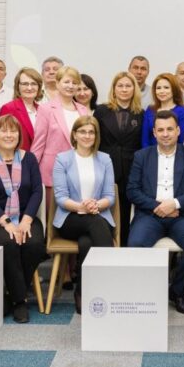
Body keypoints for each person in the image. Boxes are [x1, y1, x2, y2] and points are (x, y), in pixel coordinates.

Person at [127, 110, 184, 315]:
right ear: (153, 133)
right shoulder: (141, 156)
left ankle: (176, 291)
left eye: (170, 129)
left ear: (178, 130)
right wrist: (158, 206)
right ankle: (149, 292)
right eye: (160, 130)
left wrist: (174, 204)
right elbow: (132, 191)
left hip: (182, 214)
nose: (165, 134)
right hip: (150, 215)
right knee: (135, 245)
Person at [0, 115, 45, 323]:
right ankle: (20, 301)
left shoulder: (28, 159)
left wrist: (26, 220)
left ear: (19, 135)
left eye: (13, 131)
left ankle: (10, 295)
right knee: (9, 242)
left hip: (24, 217)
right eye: (4, 130)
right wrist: (5, 222)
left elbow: (37, 192)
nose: (9, 135)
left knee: (35, 244)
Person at [52, 116, 116, 313]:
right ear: (74, 134)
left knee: (87, 242)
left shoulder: (104, 159)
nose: (87, 136)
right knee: (94, 223)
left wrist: (96, 204)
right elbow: (61, 197)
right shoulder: (63, 159)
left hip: (98, 214)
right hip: (70, 218)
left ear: (96, 136)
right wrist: (83, 207)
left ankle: (82, 292)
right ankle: (111, 282)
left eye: (91, 132)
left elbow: (110, 196)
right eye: (82, 131)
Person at [93, 72, 144, 245]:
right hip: (105, 167)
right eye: (120, 85)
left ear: (134, 89)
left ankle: (124, 249)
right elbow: (95, 140)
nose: (124, 89)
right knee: (104, 211)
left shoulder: (141, 114)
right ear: (114, 89)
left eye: (128, 85)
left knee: (125, 212)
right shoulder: (101, 111)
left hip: (131, 169)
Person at [32, 66, 91, 193]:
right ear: (58, 84)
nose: (70, 86)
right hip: (51, 173)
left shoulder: (83, 110)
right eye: (66, 82)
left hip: (78, 172)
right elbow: (38, 144)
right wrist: (30, 172)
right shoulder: (46, 109)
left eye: (74, 83)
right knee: (50, 212)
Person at [0, 67, 43, 151]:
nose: (29, 88)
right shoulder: (8, 109)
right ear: (18, 86)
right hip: (18, 161)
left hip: (40, 162)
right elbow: (2, 141)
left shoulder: (42, 110)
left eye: (33, 84)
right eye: (25, 84)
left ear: (39, 87)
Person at [141, 72, 184, 147]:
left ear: (174, 90)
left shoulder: (182, 111)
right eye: (158, 88)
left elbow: (182, 140)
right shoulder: (150, 110)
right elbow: (145, 140)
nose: (162, 91)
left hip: (175, 155)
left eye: (166, 87)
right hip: (151, 155)